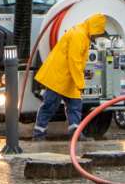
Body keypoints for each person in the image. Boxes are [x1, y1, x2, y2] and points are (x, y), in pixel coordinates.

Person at [32, 13, 106, 141]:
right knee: (50, 104)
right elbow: (74, 61)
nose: (98, 36)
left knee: (75, 105)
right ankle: (38, 133)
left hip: (68, 77)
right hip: (59, 76)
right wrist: (80, 83)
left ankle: (75, 134)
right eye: (99, 33)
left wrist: (78, 82)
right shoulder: (79, 35)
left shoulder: (83, 34)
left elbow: (76, 62)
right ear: (95, 28)